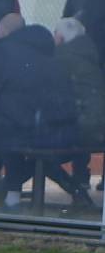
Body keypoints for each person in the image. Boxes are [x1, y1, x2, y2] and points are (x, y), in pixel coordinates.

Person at [0, 14, 89, 210]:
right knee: (16, 133)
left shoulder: (3, 52)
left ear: (4, 32)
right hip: (60, 128)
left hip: (32, 130)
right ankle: (75, 191)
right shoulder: (50, 55)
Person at [53, 17, 105, 189]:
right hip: (99, 127)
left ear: (60, 38)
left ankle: (75, 188)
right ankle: (80, 180)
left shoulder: (61, 58)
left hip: (84, 130)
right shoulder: (91, 55)